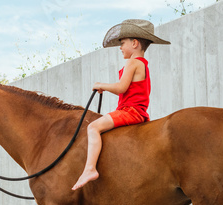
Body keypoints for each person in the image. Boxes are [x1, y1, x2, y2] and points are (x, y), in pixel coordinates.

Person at [72, 19, 170, 191]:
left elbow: (121, 88)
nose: (120, 47)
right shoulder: (143, 65)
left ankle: (89, 169)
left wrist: (101, 85)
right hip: (138, 112)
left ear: (134, 43)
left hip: (130, 111)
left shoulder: (132, 62)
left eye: (122, 43)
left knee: (93, 128)